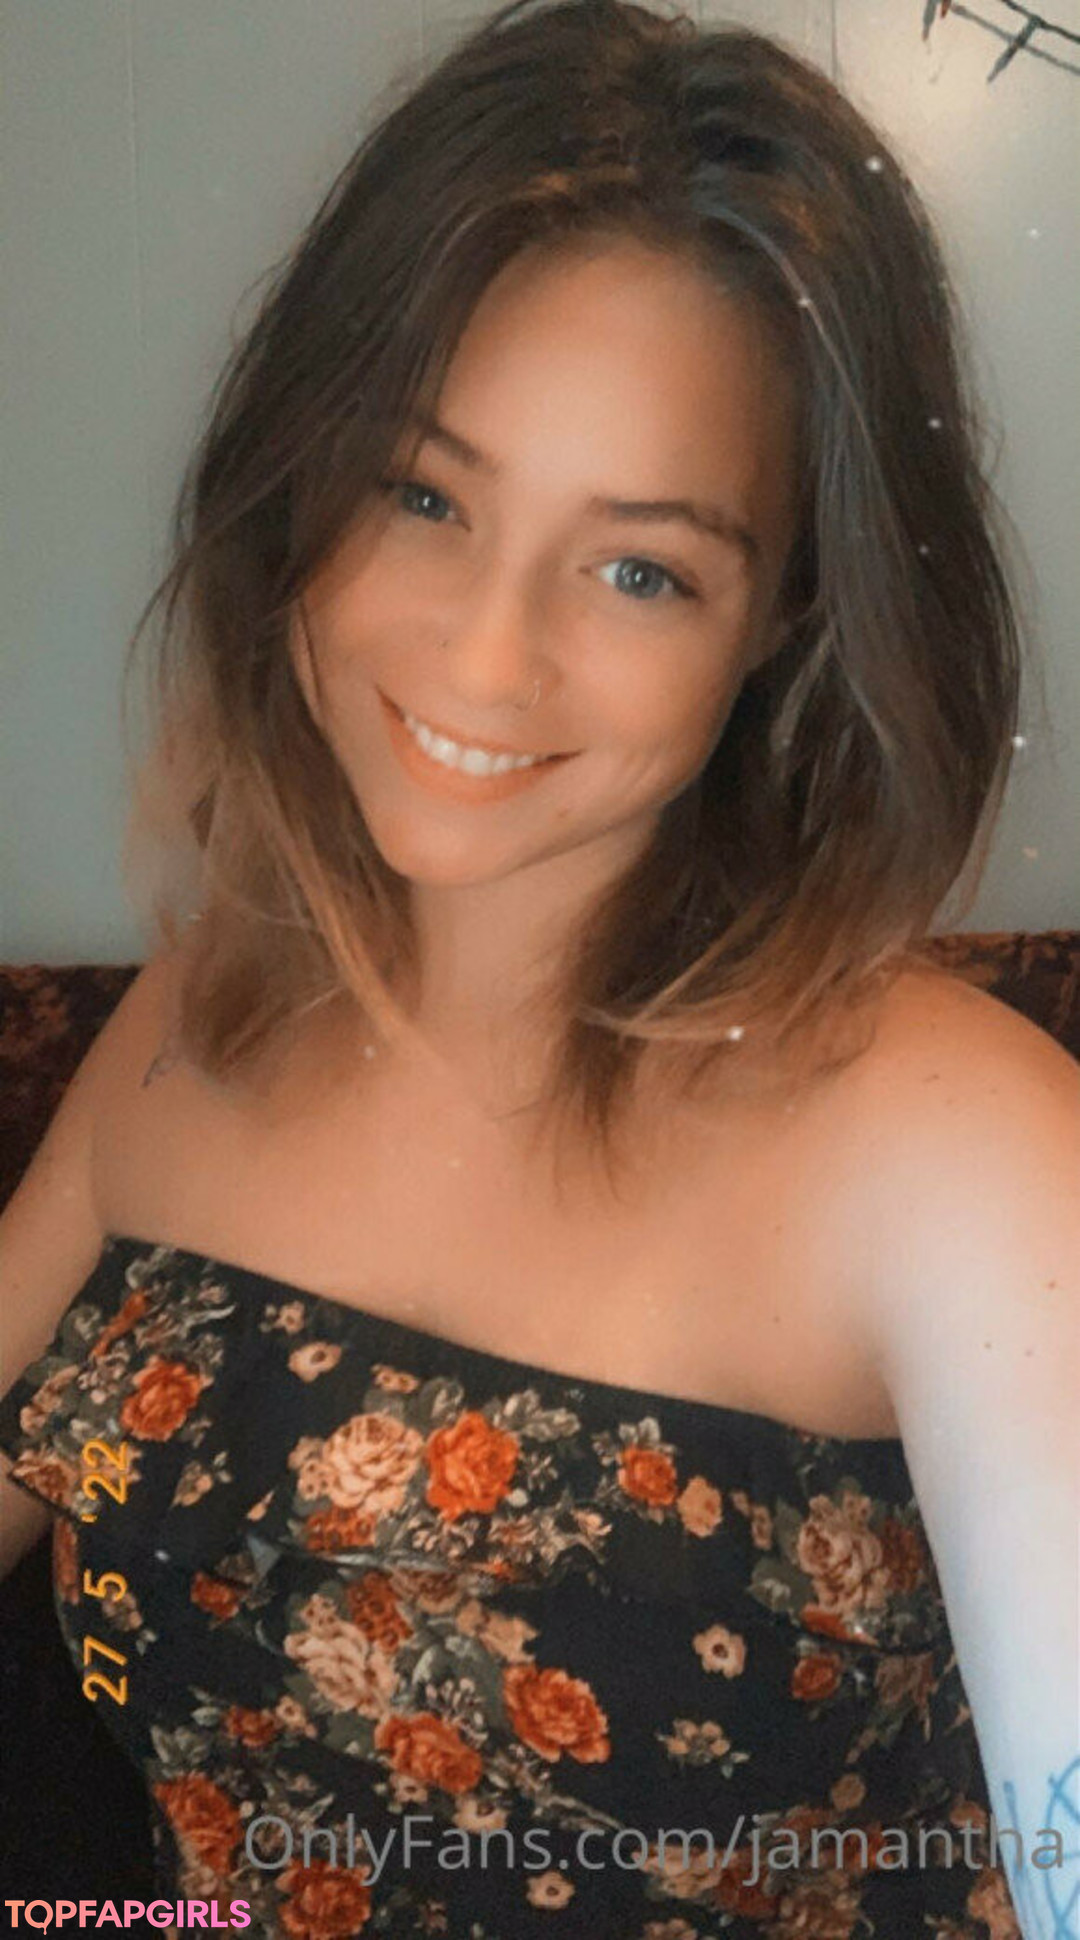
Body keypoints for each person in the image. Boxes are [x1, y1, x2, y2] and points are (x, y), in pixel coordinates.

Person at [1, 1, 1076, 1935]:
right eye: (422, 493)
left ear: (784, 617)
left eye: (641, 566)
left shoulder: (957, 1149)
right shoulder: (199, 1016)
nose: (487, 659)